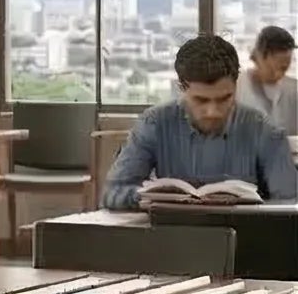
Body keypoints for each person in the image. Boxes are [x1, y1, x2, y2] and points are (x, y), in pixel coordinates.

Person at [104, 34, 298, 208]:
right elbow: (113, 193)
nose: (212, 112)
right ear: (181, 88)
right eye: (201, 100)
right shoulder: (154, 123)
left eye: (224, 98)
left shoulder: (265, 131)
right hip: (172, 237)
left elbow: (291, 203)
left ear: (236, 84)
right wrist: (154, 199)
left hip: (243, 239)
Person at [238, 25, 298, 133]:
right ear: (259, 57)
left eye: (284, 68)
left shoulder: (294, 90)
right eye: (272, 69)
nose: (278, 75)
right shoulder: (237, 89)